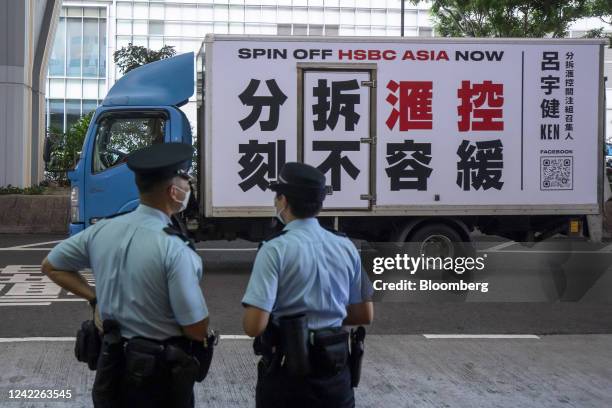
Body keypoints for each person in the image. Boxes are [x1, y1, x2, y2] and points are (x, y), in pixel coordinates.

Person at [42, 143, 211, 408]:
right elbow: (195, 327)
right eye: (185, 180)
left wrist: (94, 296)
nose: (188, 186)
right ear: (173, 191)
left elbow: (52, 265)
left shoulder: (103, 230)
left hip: (110, 372)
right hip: (159, 382)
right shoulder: (176, 249)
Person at [241, 162, 374, 408]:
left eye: (277, 196)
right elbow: (364, 314)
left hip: (287, 377)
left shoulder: (274, 249)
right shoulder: (346, 246)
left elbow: (253, 325)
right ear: (320, 204)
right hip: (335, 374)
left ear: (283, 200)